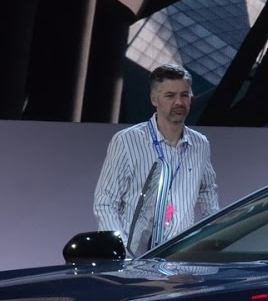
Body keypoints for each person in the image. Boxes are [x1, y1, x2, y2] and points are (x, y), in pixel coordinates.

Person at [93, 64, 220, 253]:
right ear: (154, 99)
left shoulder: (200, 144)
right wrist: (124, 254)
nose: (179, 102)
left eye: (184, 95)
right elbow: (105, 202)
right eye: (170, 96)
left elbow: (207, 189)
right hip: (136, 258)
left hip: (180, 257)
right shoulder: (127, 141)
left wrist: (214, 232)